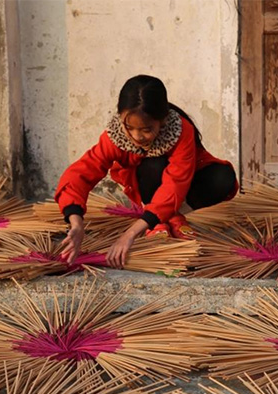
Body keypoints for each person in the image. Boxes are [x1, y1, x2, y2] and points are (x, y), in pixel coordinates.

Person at [55, 74, 238, 268]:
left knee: (222, 177)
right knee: (151, 165)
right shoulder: (114, 136)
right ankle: (161, 220)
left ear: (163, 119)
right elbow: (80, 174)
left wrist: (131, 234)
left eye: (146, 129)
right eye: (129, 128)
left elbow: (176, 183)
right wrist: (76, 223)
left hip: (179, 188)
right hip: (145, 189)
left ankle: (169, 216)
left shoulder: (180, 130)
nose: (137, 136)